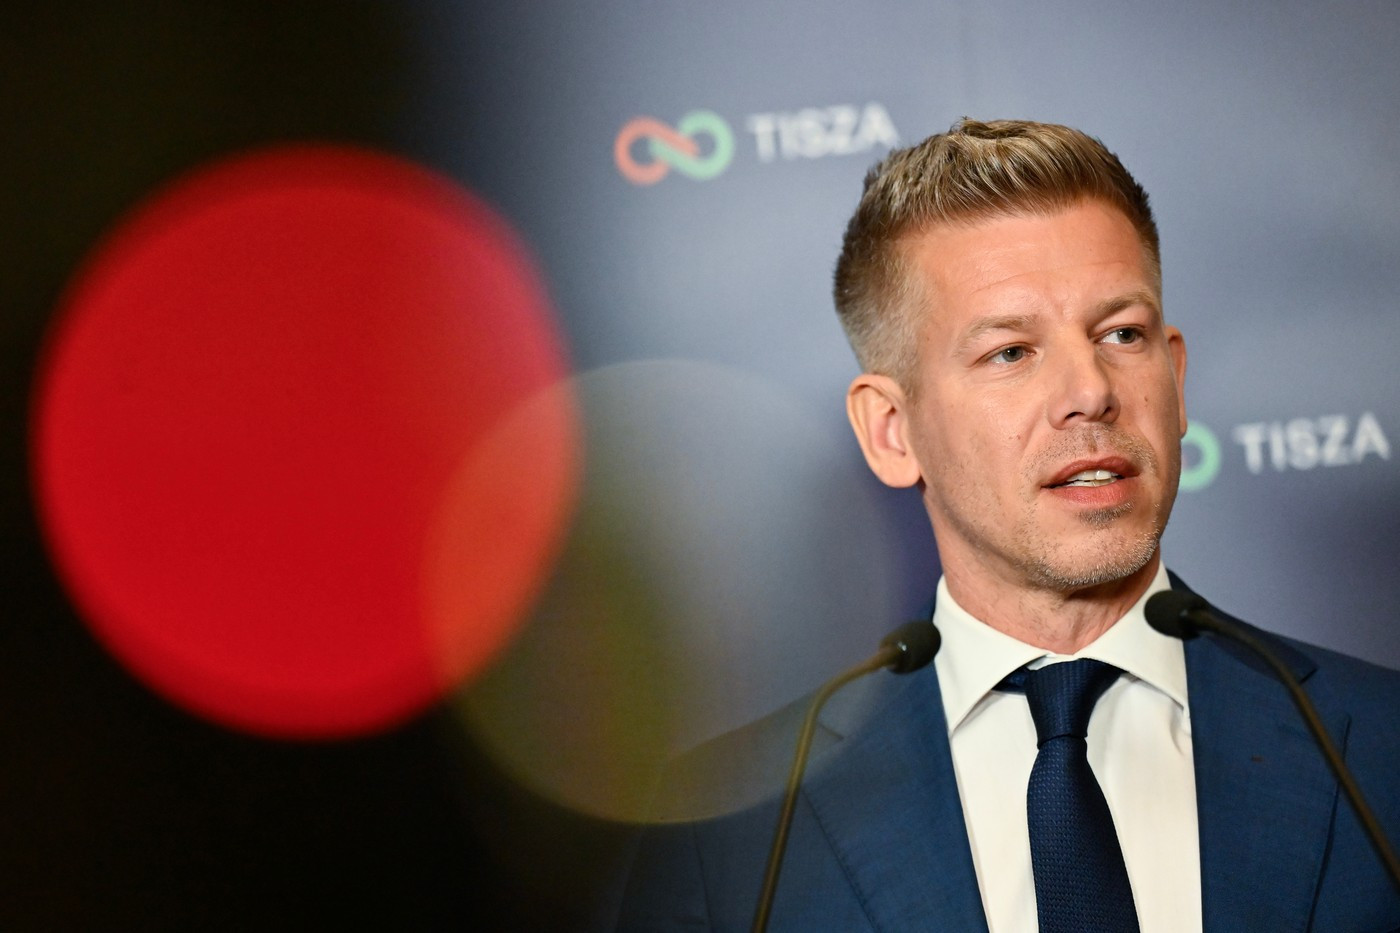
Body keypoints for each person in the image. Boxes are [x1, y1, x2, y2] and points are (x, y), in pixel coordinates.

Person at [614, 119, 1400, 931]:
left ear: (1174, 375)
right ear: (891, 431)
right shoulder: (730, 832)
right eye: (1011, 352)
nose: (1091, 390)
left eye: (1122, 334)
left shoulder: (1379, 747)